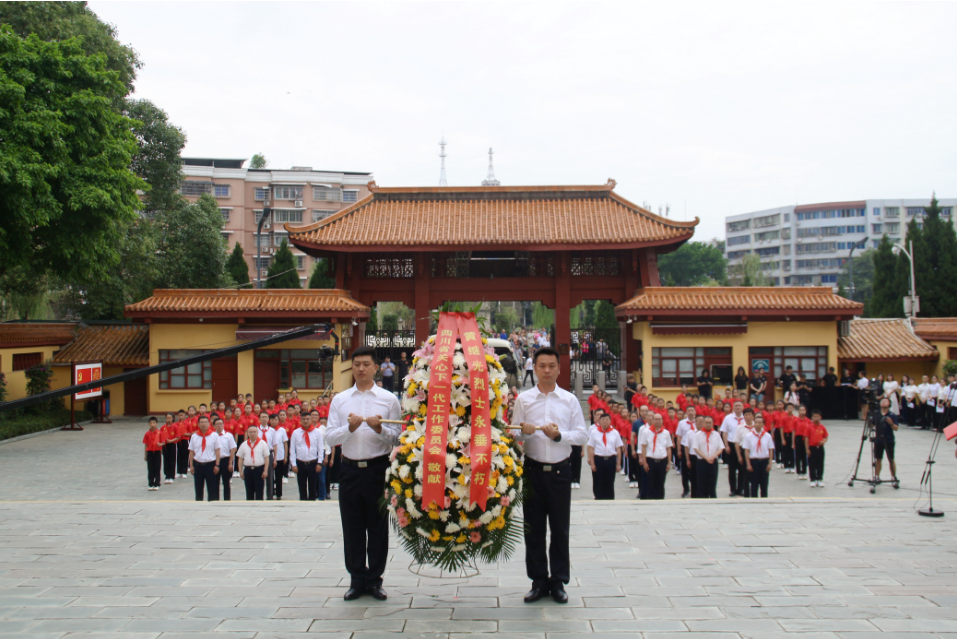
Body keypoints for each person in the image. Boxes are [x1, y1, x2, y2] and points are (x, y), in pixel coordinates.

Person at [513, 347, 588, 605]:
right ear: (533, 367)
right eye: (542, 365)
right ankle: (538, 581)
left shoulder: (569, 400)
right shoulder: (523, 400)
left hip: (559, 472)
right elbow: (514, 436)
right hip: (532, 471)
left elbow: (581, 435)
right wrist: (524, 432)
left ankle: (558, 582)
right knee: (532, 529)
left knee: (559, 528)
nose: (546, 370)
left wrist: (559, 436)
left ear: (559, 368)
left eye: (551, 366)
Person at [326, 346, 401, 602]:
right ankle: (357, 579)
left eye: (366, 364)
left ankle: (375, 580)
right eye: (356, 364)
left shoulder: (389, 399)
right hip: (349, 469)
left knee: (377, 527)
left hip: (377, 470)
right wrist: (349, 428)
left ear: (375, 367)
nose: (360, 369)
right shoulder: (340, 399)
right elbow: (329, 436)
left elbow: (398, 438)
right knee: (352, 526)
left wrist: (380, 429)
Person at [587, 413, 622, 500]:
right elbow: (591, 448)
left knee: (610, 480)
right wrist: (592, 463)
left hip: (610, 459)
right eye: (603, 420)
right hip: (599, 459)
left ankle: (610, 498)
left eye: (607, 420)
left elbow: (618, 449)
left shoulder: (615, 433)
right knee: (598, 480)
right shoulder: (594, 432)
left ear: (610, 421)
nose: (605, 422)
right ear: (600, 421)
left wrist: (618, 464)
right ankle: (599, 497)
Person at [291, 410, 323, 501]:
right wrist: (293, 464)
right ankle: (303, 503)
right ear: (300, 420)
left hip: (313, 462)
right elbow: (292, 450)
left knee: (313, 486)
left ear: (311, 420)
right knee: (302, 486)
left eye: (308, 419)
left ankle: (312, 502)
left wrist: (319, 463)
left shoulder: (317, 432)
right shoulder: (296, 433)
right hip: (300, 463)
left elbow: (320, 449)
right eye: (304, 419)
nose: (306, 421)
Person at [639, 413, 672, 500]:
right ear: (652, 420)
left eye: (659, 419)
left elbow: (668, 448)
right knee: (650, 482)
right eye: (656, 419)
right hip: (650, 460)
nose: (657, 421)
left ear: (662, 421)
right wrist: (645, 462)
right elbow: (643, 447)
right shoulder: (646, 432)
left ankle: (660, 499)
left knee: (661, 482)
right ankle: (650, 499)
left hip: (662, 460)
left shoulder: (666, 433)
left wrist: (669, 463)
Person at [187, 416, 221, 501]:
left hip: (210, 464)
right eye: (201, 422)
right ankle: (199, 504)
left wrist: (217, 464)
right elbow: (191, 452)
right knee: (198, 487)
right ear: (198, 424)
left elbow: (217, 451)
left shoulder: (214, 436)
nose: (204, 424)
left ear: (209, 424)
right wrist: (191, 465)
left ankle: (212, 504)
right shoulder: (194, 436)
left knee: (212, 487)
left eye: (206, 422)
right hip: (198, 464)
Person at [719, 401, 746, 497]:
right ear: (733, 407)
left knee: (743, 468)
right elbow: (724, 432)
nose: (738, 407)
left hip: (743, 445)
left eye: (739, 405)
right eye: (736, 405)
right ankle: (733, 489)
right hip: (731, 444)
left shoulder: (746, 418)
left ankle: (741, 489)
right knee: (732, 469)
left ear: (743, 407)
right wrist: (726, 445)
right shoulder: (728, 418)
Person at [694, 416, 724, 498]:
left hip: (713, 461)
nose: (708, 424)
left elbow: (721, 448)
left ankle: (713, 497)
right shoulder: (698, 434)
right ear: (703, 423)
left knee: (712, 481)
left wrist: (713, 456)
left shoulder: (716, 434)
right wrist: (706, 458)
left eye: (710, 423)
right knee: (701, 482)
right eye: (706, 423)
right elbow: (696, 448)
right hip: (702, 461)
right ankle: (701, 498)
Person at [743, 415, 774, 498]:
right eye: (756, 423)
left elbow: (771, 450)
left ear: (763, 424)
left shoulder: (767, 436)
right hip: (754, 461)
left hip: (764, 461)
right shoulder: (749, 436)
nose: (758, 424)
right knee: (754, 483)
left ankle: (764, 500)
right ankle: (754, 500)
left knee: (764, 483)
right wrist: (748, 464)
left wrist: (770, 463)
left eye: (760, 423)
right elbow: (746, 451)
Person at [237, 426, 269, 500]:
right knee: (249, 491)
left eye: (254, 432)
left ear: (257, 433)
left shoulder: (263, 443)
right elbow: (240, 459)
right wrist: (240, 471)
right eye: (250, 432)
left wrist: (265, 471)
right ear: (247, 433)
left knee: (259, 491)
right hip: (248, 470)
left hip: (259, 469)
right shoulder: (244, 444)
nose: (252, 434)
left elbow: (266, 458)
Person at [874, 397, 899, 483]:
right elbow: (871, 426)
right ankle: (876, 476)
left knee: (891, 459)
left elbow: (896, 428)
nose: (884, 402)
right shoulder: (876, 414)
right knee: (878, 459)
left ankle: (893, 476)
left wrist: (891, 423)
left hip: (889, 440)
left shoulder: (892, 415)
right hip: (878, 440)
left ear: (889, 404)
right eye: (882, 401)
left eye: (886, 401)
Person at [213, 417, 237, 501]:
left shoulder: (228, 435)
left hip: (225, 460)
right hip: (215, 461)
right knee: (215, 482)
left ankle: (227, 499)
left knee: (226, 482)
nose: (219, 426)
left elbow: (233, 449)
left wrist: (230, 463)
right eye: (217, 424)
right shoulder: (212, 436)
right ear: (214, 426)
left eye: (221, 424)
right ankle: (215, 499)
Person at [675, 407, 697, 498]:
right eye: (689, 411)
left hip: (696, 448)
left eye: (692, 411)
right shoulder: (682, 423)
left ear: (695, 412)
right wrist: (679, 449)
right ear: (686, 412)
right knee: (684, 470)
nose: (691, 413)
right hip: (685, 447)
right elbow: (679, 437)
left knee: (695, 470)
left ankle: (695, 490)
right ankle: (686, 489)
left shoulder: (699, 422)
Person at [806, 409, 828, 487]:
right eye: (814, 417)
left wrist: (823, 441)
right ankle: (813, 479)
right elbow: (807, 438)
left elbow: (826, 437)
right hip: (812, 447)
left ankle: (820, 479)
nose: (816, 418)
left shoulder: (822, 427)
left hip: (820, 448)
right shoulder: (809, 427)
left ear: (820, 417)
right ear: (812, 417)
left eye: (817, 417)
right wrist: (807, 449)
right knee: (812, 464)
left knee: (820, 464)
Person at [143, 416, 163, 491]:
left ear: (156, 424)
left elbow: (163, 442)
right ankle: (151, 483)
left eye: (154, 423)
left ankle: (157, 483)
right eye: (151, 423)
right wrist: (145, 455)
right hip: (150, 452)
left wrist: (160, 445)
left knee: (157, 468)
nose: (152, 424)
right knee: (150, 468)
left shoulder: (159, 433)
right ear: (149, 424)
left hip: (157, 452)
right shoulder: (147, 434)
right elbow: (146, 444)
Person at [159, 413, 178, 485]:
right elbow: (160, 438)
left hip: (172, 444)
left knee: (172, 460)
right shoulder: (162, 427)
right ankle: (167, 476)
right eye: (167, 418)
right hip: (165, 445)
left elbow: (178, 436)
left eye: (170, 418)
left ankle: (171, 476)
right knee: (166, 460)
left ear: (173, 418)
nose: (168, 419)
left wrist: (171, 440)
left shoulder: (175, 427)